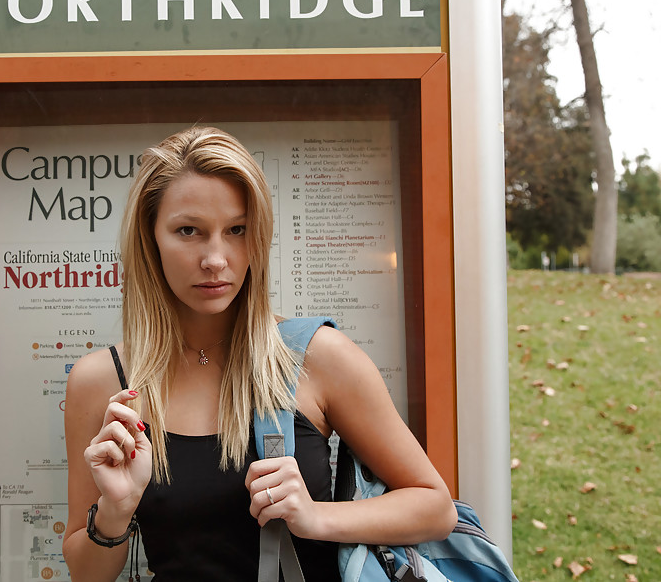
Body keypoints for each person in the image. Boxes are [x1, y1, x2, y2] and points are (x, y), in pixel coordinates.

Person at [62, 126, 456, 582]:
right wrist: (115, 510)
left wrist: (317, 517)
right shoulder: (103, 382)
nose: (215, 257)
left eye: (237, 230)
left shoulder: (316, 356)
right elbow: (87, 575)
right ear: (150, 239)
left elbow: (435, 506)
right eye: (188, 231)